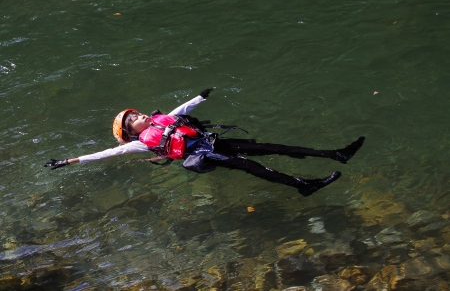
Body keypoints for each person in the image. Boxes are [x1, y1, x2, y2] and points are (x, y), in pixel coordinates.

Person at [44, 88, 365, 197]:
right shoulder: (139, 144)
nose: (138, 116)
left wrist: (201, 95)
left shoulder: (159, 120)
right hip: (207, 155)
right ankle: (303, 185)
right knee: (255, 167)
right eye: (133, 121)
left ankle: (337, 154)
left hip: (214, 142)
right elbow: (105, 154)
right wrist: (69, 161)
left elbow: (181, 110)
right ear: (131, 132)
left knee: (275, 146)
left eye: (136, 114)